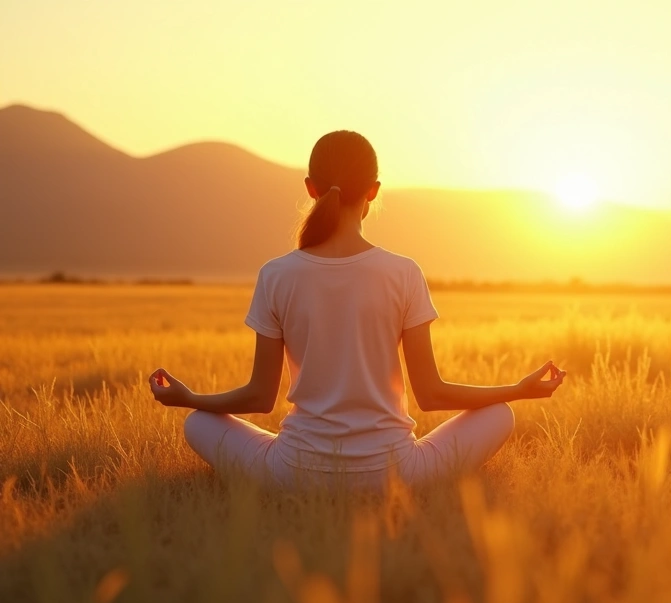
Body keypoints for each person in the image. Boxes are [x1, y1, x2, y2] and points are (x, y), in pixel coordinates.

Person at [148, 130, 565, 489]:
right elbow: (431, 393)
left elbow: (259, 396)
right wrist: (519, 389)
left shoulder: (276, 274)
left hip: (294, 472)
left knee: (197, 423)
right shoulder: (403, 272)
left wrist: (190, 398)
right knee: (500, 415)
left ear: (310, 188)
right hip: (396, 474)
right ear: (374, 190)